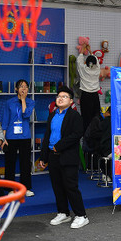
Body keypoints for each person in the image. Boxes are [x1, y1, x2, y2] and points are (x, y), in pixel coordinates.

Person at [38, 87, 89, 229]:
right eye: (58, 96)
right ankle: (63, 213)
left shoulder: (74, 116)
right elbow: (47, 136)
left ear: (71, 101)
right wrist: (44, 157)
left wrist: (59, 146)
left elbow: (77, 134)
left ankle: (81, 215)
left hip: (68, 156)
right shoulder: (52, 115)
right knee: (57, 186)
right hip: (53, 156)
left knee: (71, 186)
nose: (60, 98)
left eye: (64, 96)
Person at [1, 79, 35, 197]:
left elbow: (25, 114)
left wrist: (24, 100)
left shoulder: (31, 102)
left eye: (26, 87)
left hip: (25, 136)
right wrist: (3, 137)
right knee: (10, 162)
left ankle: (26, 188)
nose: (23, 89)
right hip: (10, 136)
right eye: (21, 86)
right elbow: (5, 120)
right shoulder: (9, 102)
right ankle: (10, 189)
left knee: (25, 163)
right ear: (16, 89)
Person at [77, 46, 102, 133]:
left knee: (86, 118)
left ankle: (86, 138)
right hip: (95, 95)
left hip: (85, 95)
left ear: (86, 63)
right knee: (96, 116)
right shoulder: (97, 69)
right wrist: (91, 51)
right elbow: (96, 60)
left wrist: (82, 51)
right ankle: (95, 136)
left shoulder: (83, 69)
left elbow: (79, 61)